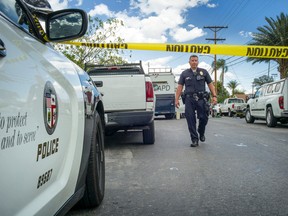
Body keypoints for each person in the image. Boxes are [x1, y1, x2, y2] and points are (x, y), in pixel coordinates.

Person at [175, 55, 217, 147]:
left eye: (196, 60)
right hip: (189, 99)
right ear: (189, 62)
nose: (194, 62)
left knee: (204, 117)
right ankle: (194, 139)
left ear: (198, 62)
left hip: (201, 99)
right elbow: (180, 87)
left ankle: (201, 132)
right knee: (190, 119)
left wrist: (214, 96)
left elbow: (210, 84)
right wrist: (176, 99)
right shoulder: (184, 73)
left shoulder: (204, 72)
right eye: (192, 60)